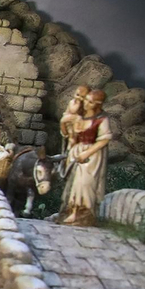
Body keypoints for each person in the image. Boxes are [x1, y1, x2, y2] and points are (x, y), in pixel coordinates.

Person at [59, 88, 114, 226]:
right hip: (76, 153)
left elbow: (104, 139)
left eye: (89, 102)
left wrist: (86, 153)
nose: (85, 103)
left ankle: (83, 214)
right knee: (73, 184)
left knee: (84, 184)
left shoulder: (101, 119)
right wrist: (65, 125)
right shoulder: (81, 116)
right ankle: (72, 211)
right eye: (86, 100)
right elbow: (70, 133)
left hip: (91, 156)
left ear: (96, 104)